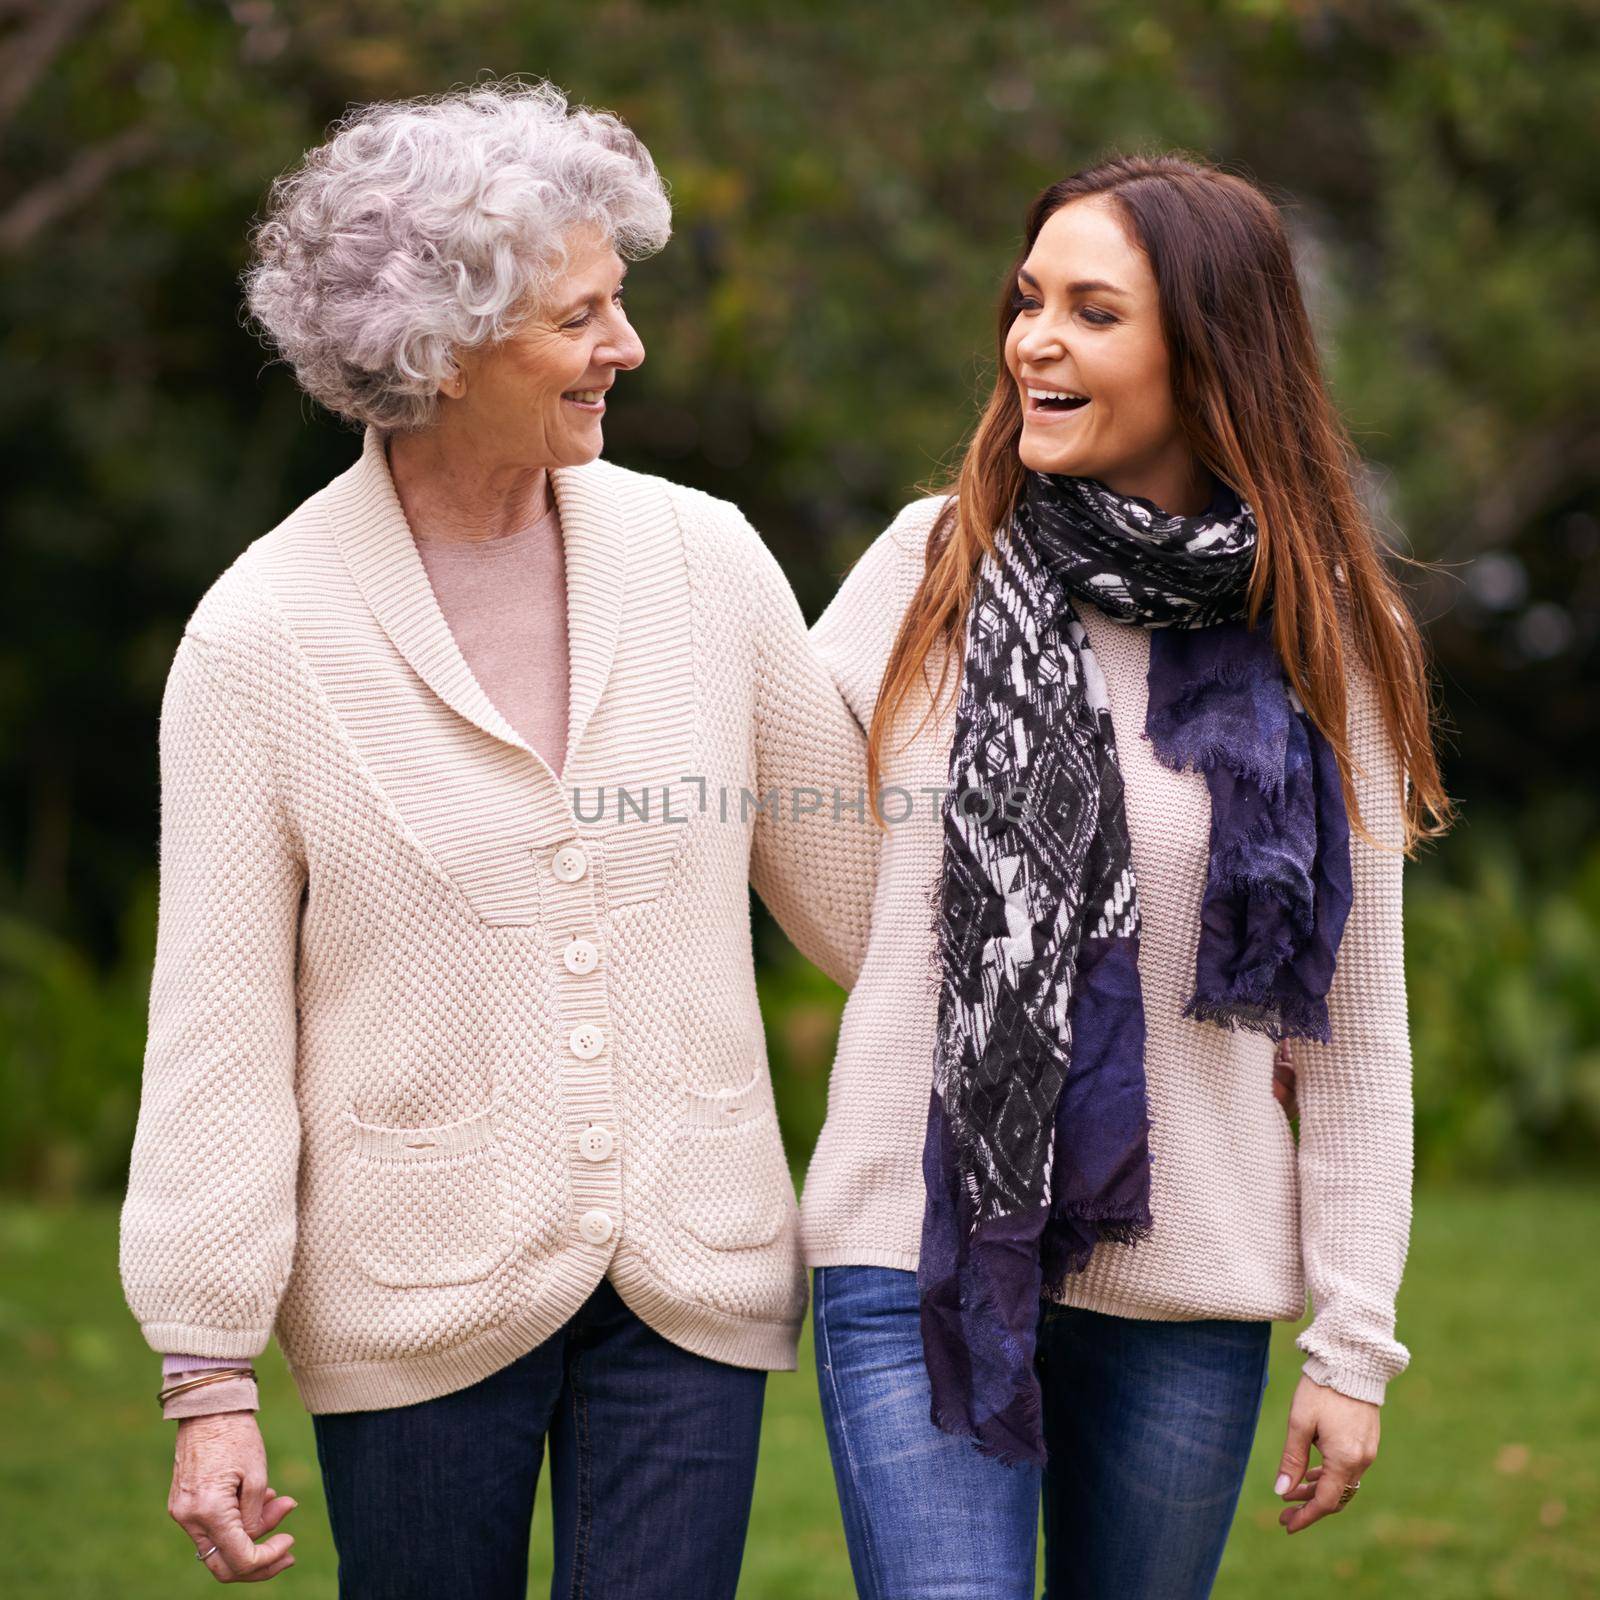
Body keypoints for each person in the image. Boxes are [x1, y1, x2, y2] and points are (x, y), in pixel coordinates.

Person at [118, 80, 877, 1598]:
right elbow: (217, 1028)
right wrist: (208, 1378)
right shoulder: (263, 638)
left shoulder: (704, 560)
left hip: (692, 1268)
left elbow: (869, 893)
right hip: (412, 1290)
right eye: (583, 315)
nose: (628, 346)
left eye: (621, 300)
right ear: (441, 346)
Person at [802, 153, 1454, 1599]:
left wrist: (1353, 1346)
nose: (1035, 340)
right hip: (914, 1250)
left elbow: (1354, 1034)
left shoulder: (1317, 633)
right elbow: (779, 827)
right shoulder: (931, 565)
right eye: (1029, 300)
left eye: (1093, 312)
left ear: (1205, 352)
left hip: (1186, 1288)